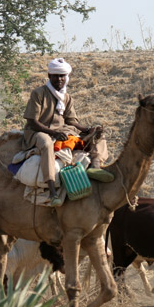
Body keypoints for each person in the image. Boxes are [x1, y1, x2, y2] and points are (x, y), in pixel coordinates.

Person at [22, 57, 114, 207]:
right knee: (46, 144)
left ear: (67, 77)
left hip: (63, 130)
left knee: (98, 136)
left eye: (62, 76)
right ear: (49, 76)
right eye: (56, 76)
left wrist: (89, 130)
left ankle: (96, 167)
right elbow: (32, 121)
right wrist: (53, 133)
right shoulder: (38, 93)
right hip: (37, 131)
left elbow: (71, 121)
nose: (59, 79)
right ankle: (52, 191)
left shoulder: (67, 97)